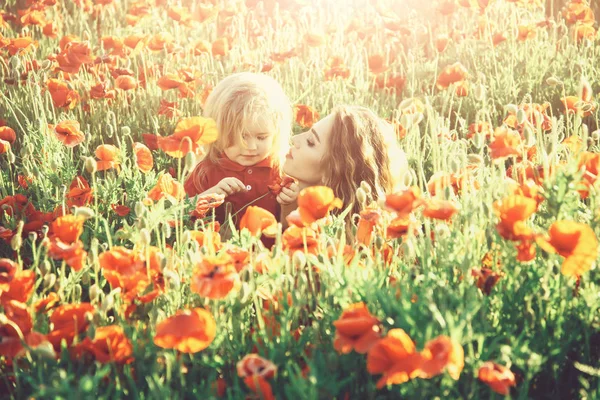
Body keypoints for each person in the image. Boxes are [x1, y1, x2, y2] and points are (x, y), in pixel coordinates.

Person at [184, 72, 299, 228]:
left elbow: (291, 229)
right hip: (218, 251)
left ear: (276, 133)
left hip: (270, 250)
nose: (251, 147)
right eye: (242, 137)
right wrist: (209, 197)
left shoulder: (283, 170)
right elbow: (178, 214)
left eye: (261, 137)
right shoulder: (205, 171)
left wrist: (291, 203)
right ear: (218, 133)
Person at [281, 105, 408, 226]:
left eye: (310, 141)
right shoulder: (281, 190)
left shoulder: (333, 241)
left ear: (336, 170)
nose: (295, 139)